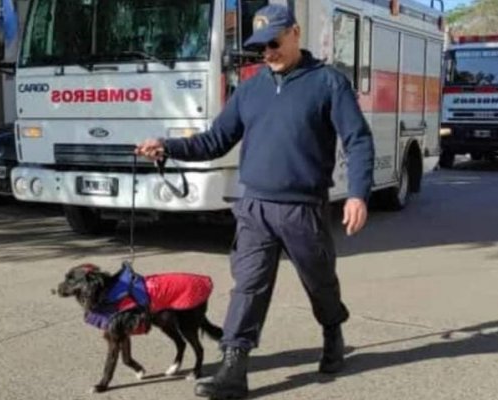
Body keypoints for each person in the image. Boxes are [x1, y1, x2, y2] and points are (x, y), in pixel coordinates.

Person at [135, 4, 374, 399]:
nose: (268, 52)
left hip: (304, 208)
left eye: (275, 42)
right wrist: (168, 147)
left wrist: (358, 195)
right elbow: (214, 140)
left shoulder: (328, 83)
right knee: (248, 286)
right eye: (261, 46)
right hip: (255, 208)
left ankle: (333, 331)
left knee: (320, 282)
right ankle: (234, 368)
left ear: (296, 33)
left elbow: (358, 140)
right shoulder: (251, 89)